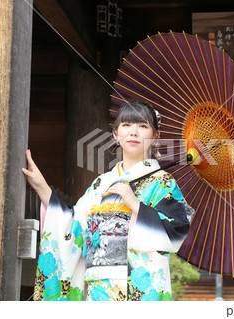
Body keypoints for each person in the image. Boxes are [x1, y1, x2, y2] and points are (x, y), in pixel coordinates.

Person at [22, 101, 192, 301]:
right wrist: (41, 185)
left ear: (155, 136)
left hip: (140, 283)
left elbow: (177, 230)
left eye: (143, 126)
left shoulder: (162, 182)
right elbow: (73, 225)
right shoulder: (100, 184)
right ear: (115, 134)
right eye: (126, 125)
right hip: (98, 286)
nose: (133, 132)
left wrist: (135, 204)